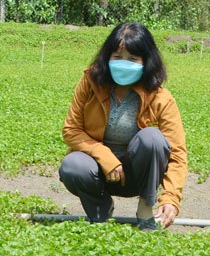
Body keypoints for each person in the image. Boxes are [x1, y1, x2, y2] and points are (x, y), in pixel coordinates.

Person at [59, 22, 187, 231]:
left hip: (139, 177)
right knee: (73, 165)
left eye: (132, 59)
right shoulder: (90, 83)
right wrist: (104, 156)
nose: (123, 63)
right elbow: (71, 130)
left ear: (146, 61)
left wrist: (171, 198)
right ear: (107, 56)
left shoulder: (160, 97)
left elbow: (177, 152)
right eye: (117, 57)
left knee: (153, 138)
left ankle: (145, 210)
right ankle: (101, 209)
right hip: (99, 173)